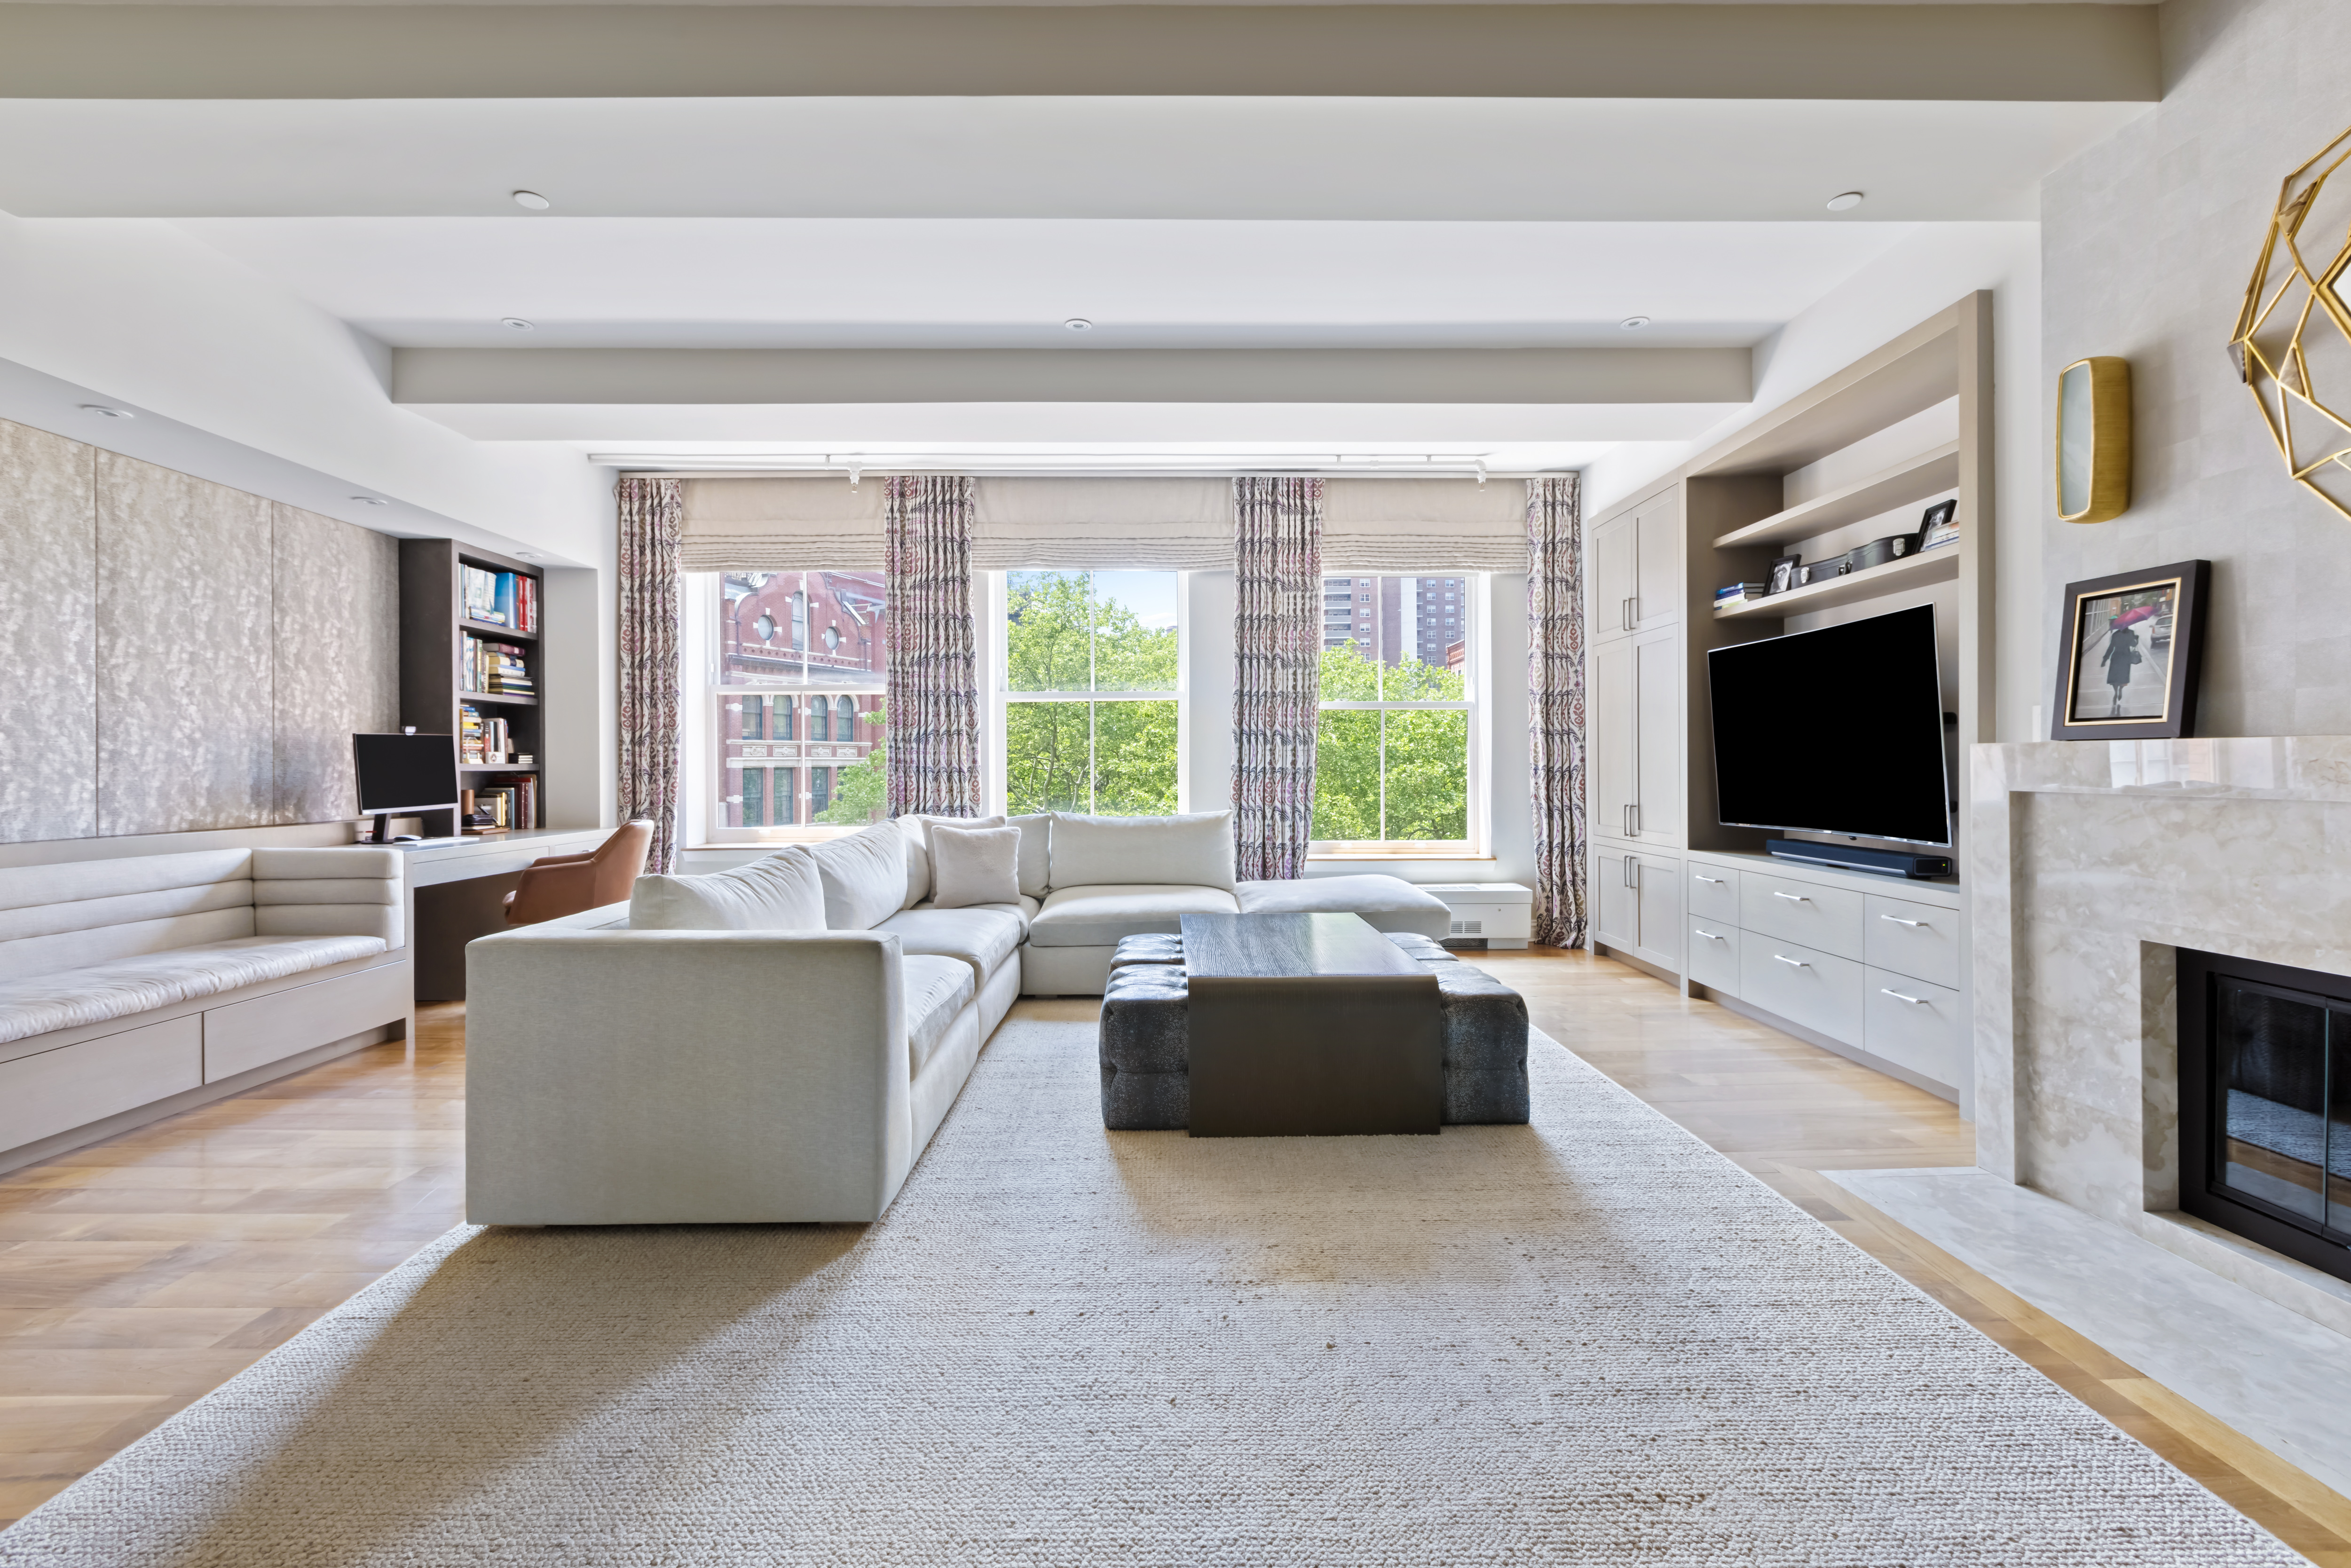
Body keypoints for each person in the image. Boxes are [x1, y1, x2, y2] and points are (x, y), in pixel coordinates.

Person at [2101, 619, 2143, 717]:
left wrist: (2105, 659)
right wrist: (2136, 638)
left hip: (2116, 658)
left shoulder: (2115, 635)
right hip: (2126, 658)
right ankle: (2120, 689)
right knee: (2123, 677)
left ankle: (2116, 691)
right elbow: (2133, 645)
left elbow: (2111, 648)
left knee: (2115, 677)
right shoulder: (2131, 633)